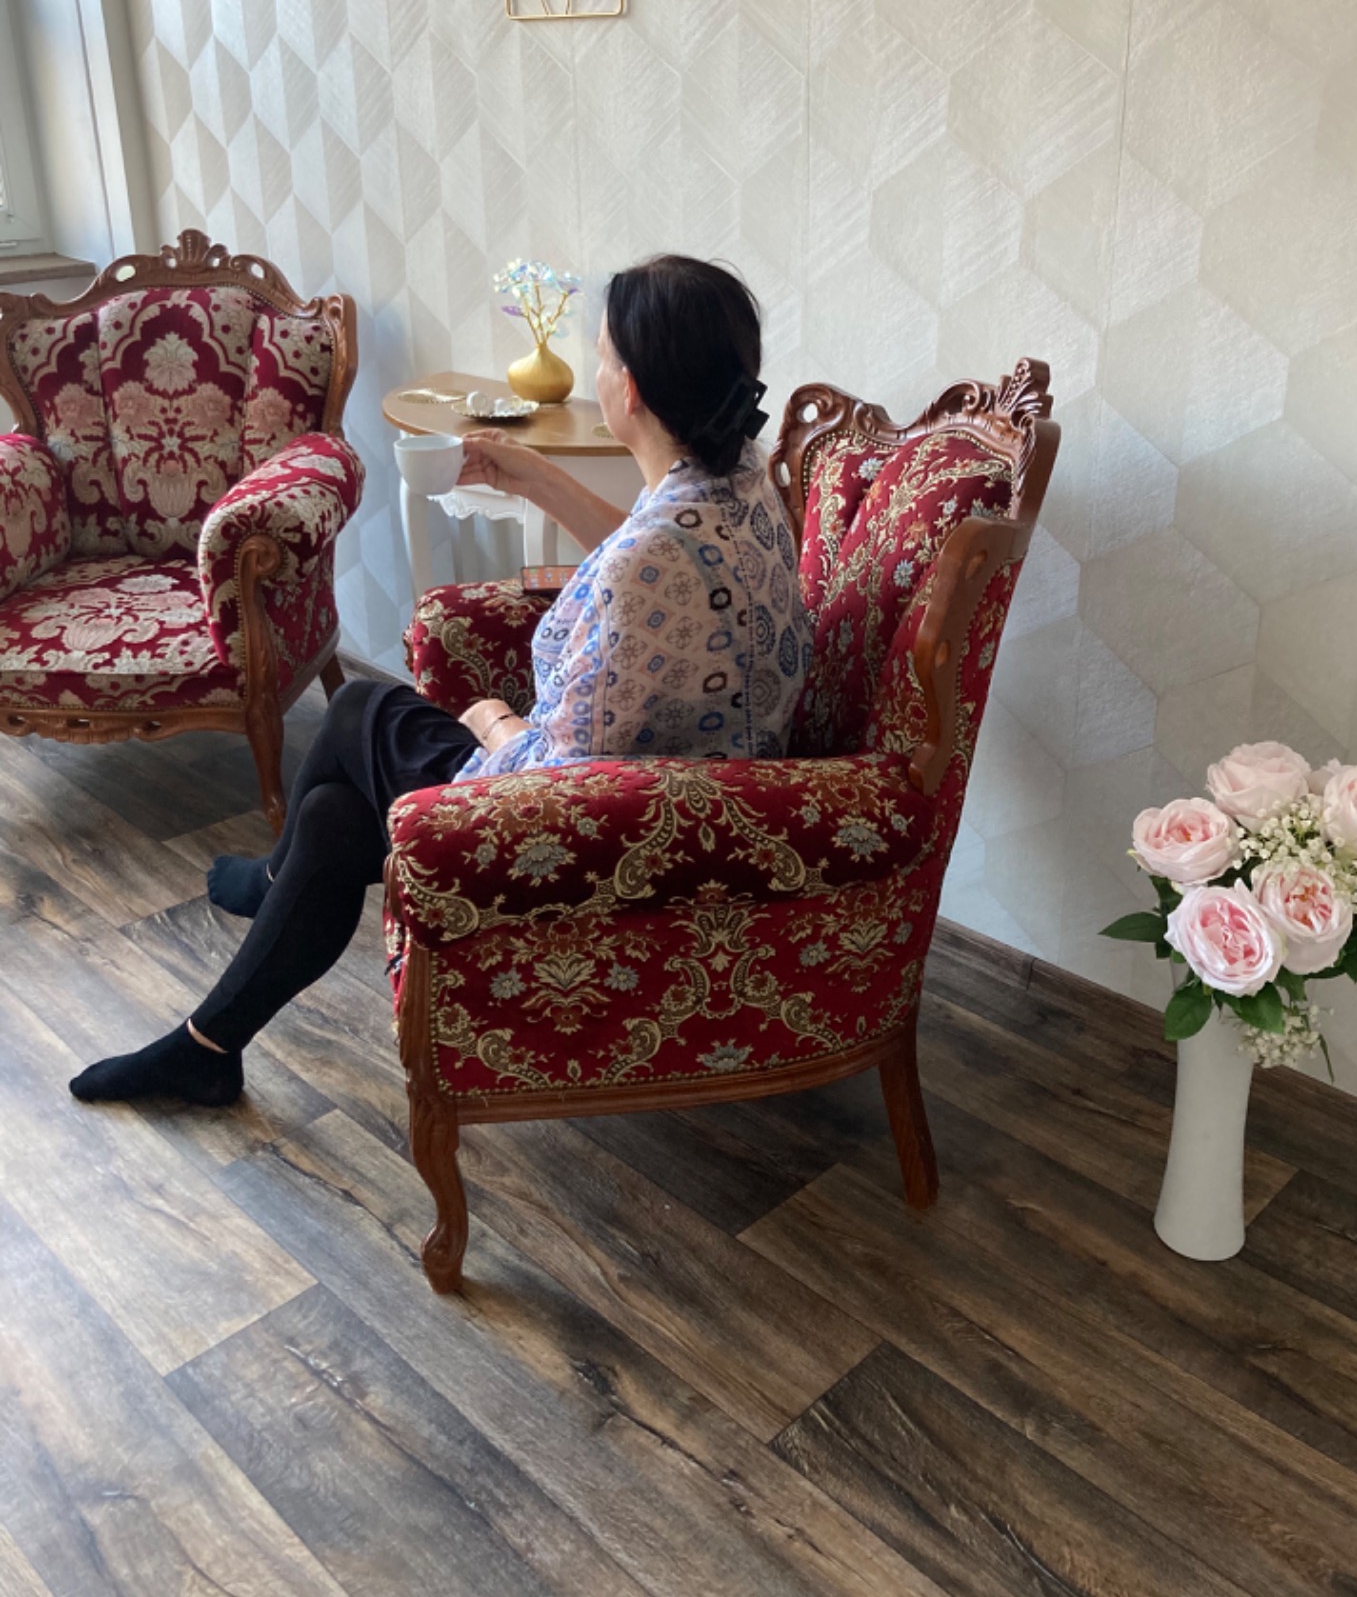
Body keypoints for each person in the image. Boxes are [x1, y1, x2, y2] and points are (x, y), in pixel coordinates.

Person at [70, 254, 812, 1107]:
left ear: (630, 389)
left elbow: (561, 775)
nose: (599, 369)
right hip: (702, 797)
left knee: (357, 709)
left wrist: (493, 722)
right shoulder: (739, 482)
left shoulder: (648, 561)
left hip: (609, 834)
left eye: (603, 355)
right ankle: (211, 1037)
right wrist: (534, 476)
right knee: (332, 820)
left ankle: (262, 911)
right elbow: (647, 550)